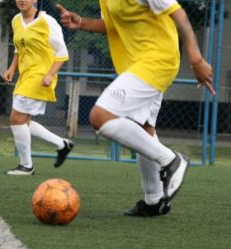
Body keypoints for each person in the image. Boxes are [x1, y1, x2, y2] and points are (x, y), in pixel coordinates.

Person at [56, 0, 214, 217]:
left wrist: (196, 60)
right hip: (137, 65)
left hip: (157, 61)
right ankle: (154, 201)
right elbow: (113, 25)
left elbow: (180, 16)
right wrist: (81, 22)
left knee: (100, 117)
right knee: (143, 130)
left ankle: (172, 161)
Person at [4, 0, 73, 175]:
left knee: (16, 118)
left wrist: (50, 75)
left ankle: (26, 166)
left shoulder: (47, 21)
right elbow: (19, 48)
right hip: (25, 76)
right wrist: (12, 68)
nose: (22, 0)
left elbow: (62, 53)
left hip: (41, 76)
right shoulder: (16, 20)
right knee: (23, 121)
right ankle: (62, 144)